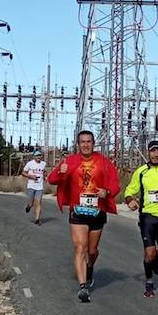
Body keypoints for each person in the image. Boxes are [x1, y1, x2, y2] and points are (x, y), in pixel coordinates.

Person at [47, 130, 120, 303]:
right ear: (78, 144)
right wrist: (60, 172)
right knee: (80, 247)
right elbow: (51, 180)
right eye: (82, 142)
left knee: (92, 251)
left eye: (88, 141)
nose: (86, 144)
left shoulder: (104, 162)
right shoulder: (70, 161)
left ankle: (90, 266)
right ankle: (83, 287)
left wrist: (107, 192)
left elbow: (115, 184)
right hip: (78, 210)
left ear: (93, 143)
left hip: (97, 211)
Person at [123, 140, 158, 299]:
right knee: (149, 253)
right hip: (147, 216)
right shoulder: (141, 171)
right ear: (148, 152)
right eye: (153, 151)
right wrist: (130, 201)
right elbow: (129, 190)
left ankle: (155, 258)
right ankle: (149, 283)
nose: (156, 154)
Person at [21, 150, 47, 225]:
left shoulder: (43, 164)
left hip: (40, 186)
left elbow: (44, 172)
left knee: (38, 202)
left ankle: (37, 219)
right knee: (31, 203)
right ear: (34, 156)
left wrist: (45, 177)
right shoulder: (30, 164)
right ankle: (28, 206)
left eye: (40, 155)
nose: (39, 157)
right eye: (37, 155)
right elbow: (23, 173)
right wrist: (31, 176)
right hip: (31, 186)